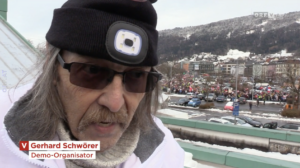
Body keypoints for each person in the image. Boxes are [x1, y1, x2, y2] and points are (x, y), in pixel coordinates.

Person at [0, 0, 185, 167]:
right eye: (92, 71)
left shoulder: (165, 152)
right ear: (52, 64)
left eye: (136, 76)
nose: (114, 103)